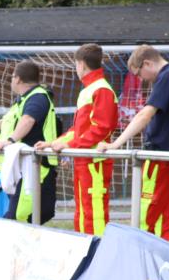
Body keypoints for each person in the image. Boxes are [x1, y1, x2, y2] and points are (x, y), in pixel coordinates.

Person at [99, 44, 169, 242]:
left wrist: (115, 144)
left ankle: (141, 252)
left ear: (147, 63)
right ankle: (164, 254)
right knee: (167, 214)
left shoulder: (167, 77)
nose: (142, 80)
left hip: (161, 157)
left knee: (147, 212)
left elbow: (145, 114)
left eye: (139, 74)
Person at [35, 44, 118, 235]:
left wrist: (70, 144)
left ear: (81, 64)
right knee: (83, 209)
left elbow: (101, 128)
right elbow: (79, 130)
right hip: (85, 160)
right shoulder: (90, 89)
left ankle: (97, 249)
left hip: (95, 162)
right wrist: (54, 143)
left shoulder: (101, 89)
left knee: (94, 212)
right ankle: (86, 246)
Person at [0, 60, 58, 224]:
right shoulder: (21, 101)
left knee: (20, 217)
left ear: (18, 79)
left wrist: (10, 140)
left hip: (35, 169)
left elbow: (28, 120)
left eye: (12, 76)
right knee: (19, 216)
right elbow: (0, 125)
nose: (11, 80)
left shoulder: (37, 97)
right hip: (19, 169)